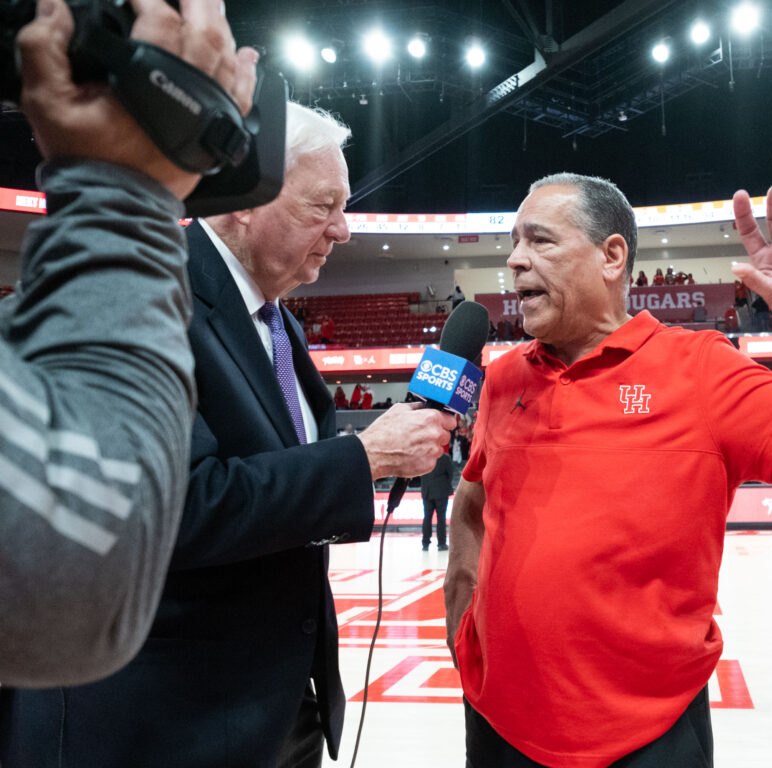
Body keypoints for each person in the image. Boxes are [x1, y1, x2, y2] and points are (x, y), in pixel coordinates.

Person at [0, 102, 456, 767]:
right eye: (321, 206)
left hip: (271, 708)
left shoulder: (280, 326)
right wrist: (362, 458)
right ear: (243, 201)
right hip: (157, 722)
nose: (344, 229)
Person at [443, 174, 772, 768]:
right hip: (497, 722)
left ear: (612, 256)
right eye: (514, 244)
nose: (516, 261)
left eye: (540, 241)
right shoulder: (502, 378)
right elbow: (473, 499)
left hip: (648, 733)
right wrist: (460, 616)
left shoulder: (698, 368)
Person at [0, 0, 257, 688]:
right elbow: (72, 579)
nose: (342, 230)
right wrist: (122, 197)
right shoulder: (175, 284)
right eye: (324, 206)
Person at [420, 448, 455, 551]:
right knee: (441, 518)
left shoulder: (424, 459)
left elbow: (420, 475)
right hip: (441, 492)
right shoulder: (445, 458)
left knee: (427, 518)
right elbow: (450, 474)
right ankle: (441, 544)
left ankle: (425, 543)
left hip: (427, 492)